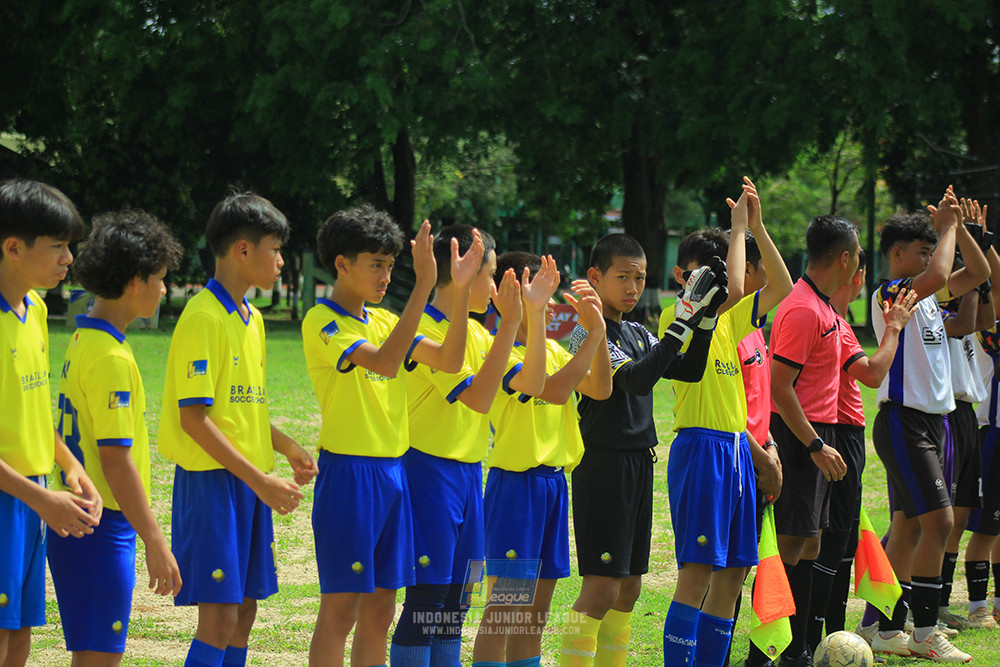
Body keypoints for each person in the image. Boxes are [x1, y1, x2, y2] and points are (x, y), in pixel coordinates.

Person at [305, 206, 484, 667]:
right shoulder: (323, 321)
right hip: (349, 474)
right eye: (376, 265)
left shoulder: (386, 320)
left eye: (390, 265)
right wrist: (424, 285)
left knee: (382, 610)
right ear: (342, 264)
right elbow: (385, 363)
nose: (386, 276)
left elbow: (448, 358)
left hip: (393, 474)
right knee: (341, 610)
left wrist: (459, 291)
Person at [159, 192, 318, 667]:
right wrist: (260, 479)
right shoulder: (204, 316)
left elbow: (239, 410)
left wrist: (285, 446)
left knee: (245, 611)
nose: (281, 261)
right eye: (275, 249)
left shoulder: (251, 320)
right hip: (214, 484)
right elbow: (195, 419)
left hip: (249, 482)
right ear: (243, 251)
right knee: (220, 618)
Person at [390, 226, 555, 667]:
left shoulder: (482, 335)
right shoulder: (422, 329)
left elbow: (535, 385)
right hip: (428, 472)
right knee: (427, 599)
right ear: (458, 271)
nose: (497, 284)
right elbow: (480, 399)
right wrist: (511, 325)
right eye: (491, 273)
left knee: (458, 601)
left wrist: (525, 320)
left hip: (468, 474)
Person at [559, 231, 724, 667]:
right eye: (623, 277)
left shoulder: (636, 330)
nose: (633, 287)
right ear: (595, 277)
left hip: (637, 464)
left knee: (629, 588)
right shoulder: (584, 335)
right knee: (600, 587)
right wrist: (681, 320)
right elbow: (634, 379)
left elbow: (685, 368)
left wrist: (704, 318)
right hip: (602, 466)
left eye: (640, 278)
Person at [659, 178, 793, 667]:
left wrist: (757, 227)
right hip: (700, 449)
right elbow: (735, 286)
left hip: (734, 452)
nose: (713, 279)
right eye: (702, 271)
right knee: (696, 575)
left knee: (733, 576)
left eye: (721, 265)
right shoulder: (678, 316)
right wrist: (737, 228)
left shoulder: (733, 322)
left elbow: (779, 285)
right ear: (680, 276)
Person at [47, 209, 185, 665]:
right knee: (99, 659)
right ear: (134, 281)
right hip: (100, 527)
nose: (164, 289)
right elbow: (115, 461)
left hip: (89, 522)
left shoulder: (86, 337)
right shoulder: (111, 358)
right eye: (160, 278)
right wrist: (155, 540)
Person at [470, 251, 612, 667]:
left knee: (535, 615)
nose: (549, 305)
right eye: (542, 294)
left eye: (551, 295)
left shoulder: (552, 348)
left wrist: (595, 332)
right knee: (503, 613)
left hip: (552, 486)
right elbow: (555, 390)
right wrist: (591, 335)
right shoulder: (503, 352)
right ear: (513, 294)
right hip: (515, 488)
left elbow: (599, 388)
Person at [869, 187, 988, 662]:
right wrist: (947, 230)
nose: (931, 258)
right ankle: (923, 630)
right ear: (897, 255)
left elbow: (977, 274)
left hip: (933, 424)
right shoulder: (893, 292)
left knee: (908, 530)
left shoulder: (931, 302)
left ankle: (886, 628)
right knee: (938, 521)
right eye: (920, 250)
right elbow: (940, 271)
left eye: (930, 249)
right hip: (903, 421)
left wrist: (968, 232)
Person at [0, 179, 102, 666]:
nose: (69, 259)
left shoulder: (35, 308)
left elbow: (36, 407)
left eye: (70, 246)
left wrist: (70, 465)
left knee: (20, 632)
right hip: (12, 495)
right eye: (58, 246)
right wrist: (39, 497)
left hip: (33, 492)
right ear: (13, 247)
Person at [812, 249, 916, 651]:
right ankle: (816, 637)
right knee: (831, 544)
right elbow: (873, 375)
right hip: (835, 435)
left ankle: (831, 636)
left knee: (841, 545)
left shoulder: (837, 322)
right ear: (854, 277)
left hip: (845, 436)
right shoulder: (830, 322)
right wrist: (893, 328)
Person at [769, 213, 860, 667]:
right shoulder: (803, 307)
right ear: (844, 258)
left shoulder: (824, 305)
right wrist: (813, 445)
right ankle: (778, 651)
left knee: (811, 545)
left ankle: (799, 648)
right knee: (790, 545)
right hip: (798, 437)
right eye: (857, 255)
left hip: (817, 433)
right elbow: (779, 387)